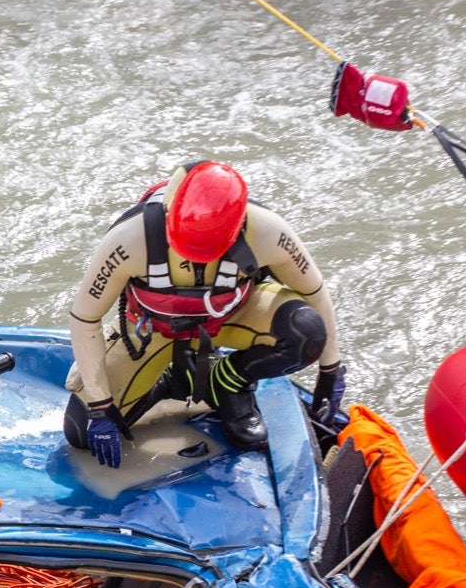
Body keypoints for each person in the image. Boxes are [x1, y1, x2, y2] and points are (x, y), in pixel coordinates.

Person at [64, 159, 347, 468]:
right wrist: (101, 406)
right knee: (81, 432)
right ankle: (165, 382)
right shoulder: (129, 239)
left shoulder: (267, 230)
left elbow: (314, 291)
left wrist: (330, 368)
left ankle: (227, 383)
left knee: (305, 330)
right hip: (152, 331)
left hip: (229, 319)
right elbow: (85, 318)